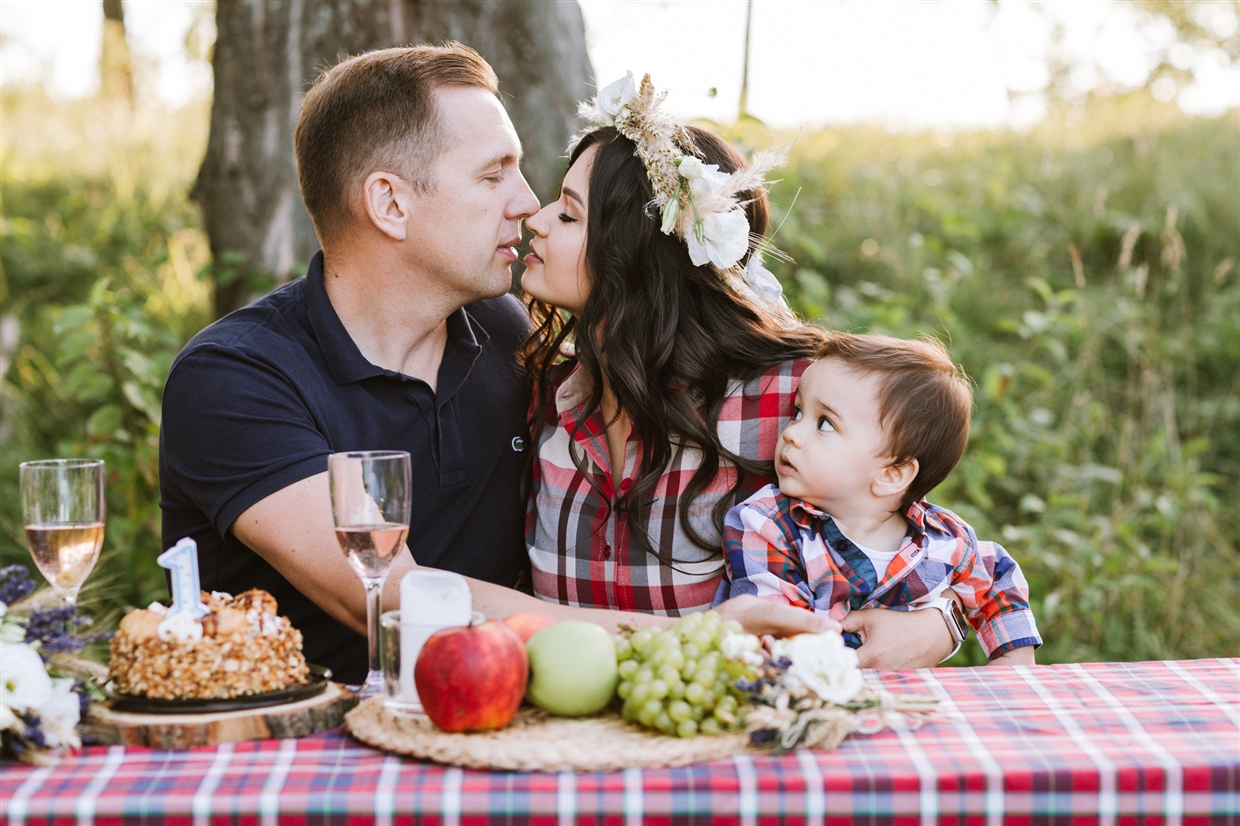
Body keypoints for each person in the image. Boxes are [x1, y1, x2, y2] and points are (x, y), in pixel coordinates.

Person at [159, 47, 831, 685]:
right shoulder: (237, 380)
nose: (527, 203)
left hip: (498, 731)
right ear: (390, 203)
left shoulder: (507, 336)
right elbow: (388, 594)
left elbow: (673, 357)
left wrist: (930, 609)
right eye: (493, 174)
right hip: (298, 751)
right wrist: (694, 638)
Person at [519, 73, 958, 668]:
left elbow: (902, 515)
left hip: (735, 738)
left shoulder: (784, 398)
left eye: (569, 216)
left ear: (637, 254)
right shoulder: (544, 392)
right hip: (569, 730)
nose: (536, 221)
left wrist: (941, 617)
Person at [716, 333, 1042, 664]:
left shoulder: (941, 540)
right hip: (802, 695)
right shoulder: (768, 524)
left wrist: (1014, 664)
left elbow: (998, 574)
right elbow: (773, 626)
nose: (790, 433)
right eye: (798, 412)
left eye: (825, 423)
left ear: (891, 475)